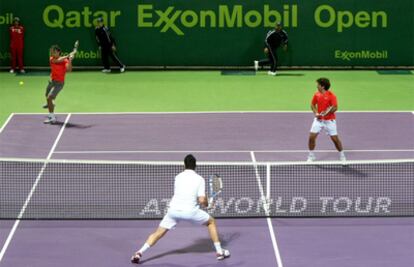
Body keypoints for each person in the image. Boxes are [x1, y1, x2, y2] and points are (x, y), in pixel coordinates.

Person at [131, 154, 230, 264]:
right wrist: (208, 205)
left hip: (173, 211)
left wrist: (205, 202)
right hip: (190, 212)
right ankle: (220, 252)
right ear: (195, 166)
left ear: (184, 165)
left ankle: (139, 252)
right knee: (211, 222)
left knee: (158, 233)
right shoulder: (200, 179)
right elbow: (202, 200)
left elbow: (185, 193)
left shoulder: (177, 177)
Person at [307, 78, 346, 162]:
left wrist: (326, 114)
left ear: (323, 86)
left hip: (329, 121)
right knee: (311, 137)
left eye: (318, 85)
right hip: (318, 120)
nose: (316, 86)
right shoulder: (316, 94)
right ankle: (311, 155)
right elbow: (312, 105)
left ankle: (342, 155)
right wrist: (316, 113)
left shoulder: (332, 96)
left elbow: (335, 107)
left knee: (335, 139)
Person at [43, 45, 75, 124]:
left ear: (58, 52)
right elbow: (57, 61)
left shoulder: (65, 61)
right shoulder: (52, 59)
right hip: (52, 81)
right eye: (51, 52)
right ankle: (50, 104)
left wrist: (70, 60)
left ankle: (52, 117)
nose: (52, 53)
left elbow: (69, 70)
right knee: (47, 95)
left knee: (49, 97)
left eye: (54, 52)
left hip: (59, 83)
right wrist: (68, 56)